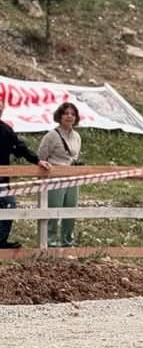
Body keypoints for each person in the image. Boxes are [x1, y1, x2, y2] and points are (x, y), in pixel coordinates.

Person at [0, 97, 51, 250]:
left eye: (0, 106)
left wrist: (37, 161)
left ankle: (1, 241)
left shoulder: (6, 130)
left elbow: (20, 148)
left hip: (2, 181)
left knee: (9, 206)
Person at [36, 103, 82, 247]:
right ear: (60, 116)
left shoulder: (77, 136)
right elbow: (41, 156)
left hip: (72, 177)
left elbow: (75, 157)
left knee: (71, 209)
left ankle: (67, 241)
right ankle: (50, 241)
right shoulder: (51, 135)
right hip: (54, 177)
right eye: (66, 113)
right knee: (53, 209)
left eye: (72, 114)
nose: (69, 116)